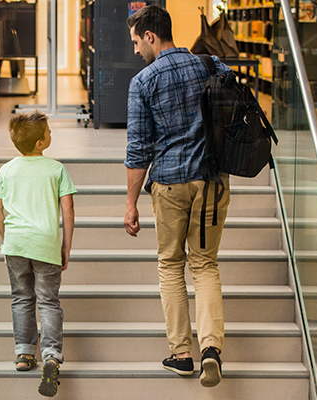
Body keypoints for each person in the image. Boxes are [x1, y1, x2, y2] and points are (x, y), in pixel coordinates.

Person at [123, 5, 233, 388]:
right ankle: (211, 351)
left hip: (170, 184)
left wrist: (130, 204)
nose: (136, 50)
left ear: (150, 36)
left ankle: (182, 354)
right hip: (212, 182)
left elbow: (138, 152)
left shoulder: (144, 82)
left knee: (171, 264)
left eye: (137, 42)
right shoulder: (211, 65)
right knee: (205, 265)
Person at [0, 110, 76, 397]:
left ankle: (24, 354)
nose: (51, 134)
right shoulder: (56, 169)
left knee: (21, 298)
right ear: (40, 143)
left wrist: (7, 238)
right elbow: (68, 210)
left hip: (15, 245)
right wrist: (66, 245)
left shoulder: (7, 170)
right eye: (48, 131)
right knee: (49, 302)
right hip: (46, 245)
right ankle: (51, 355)